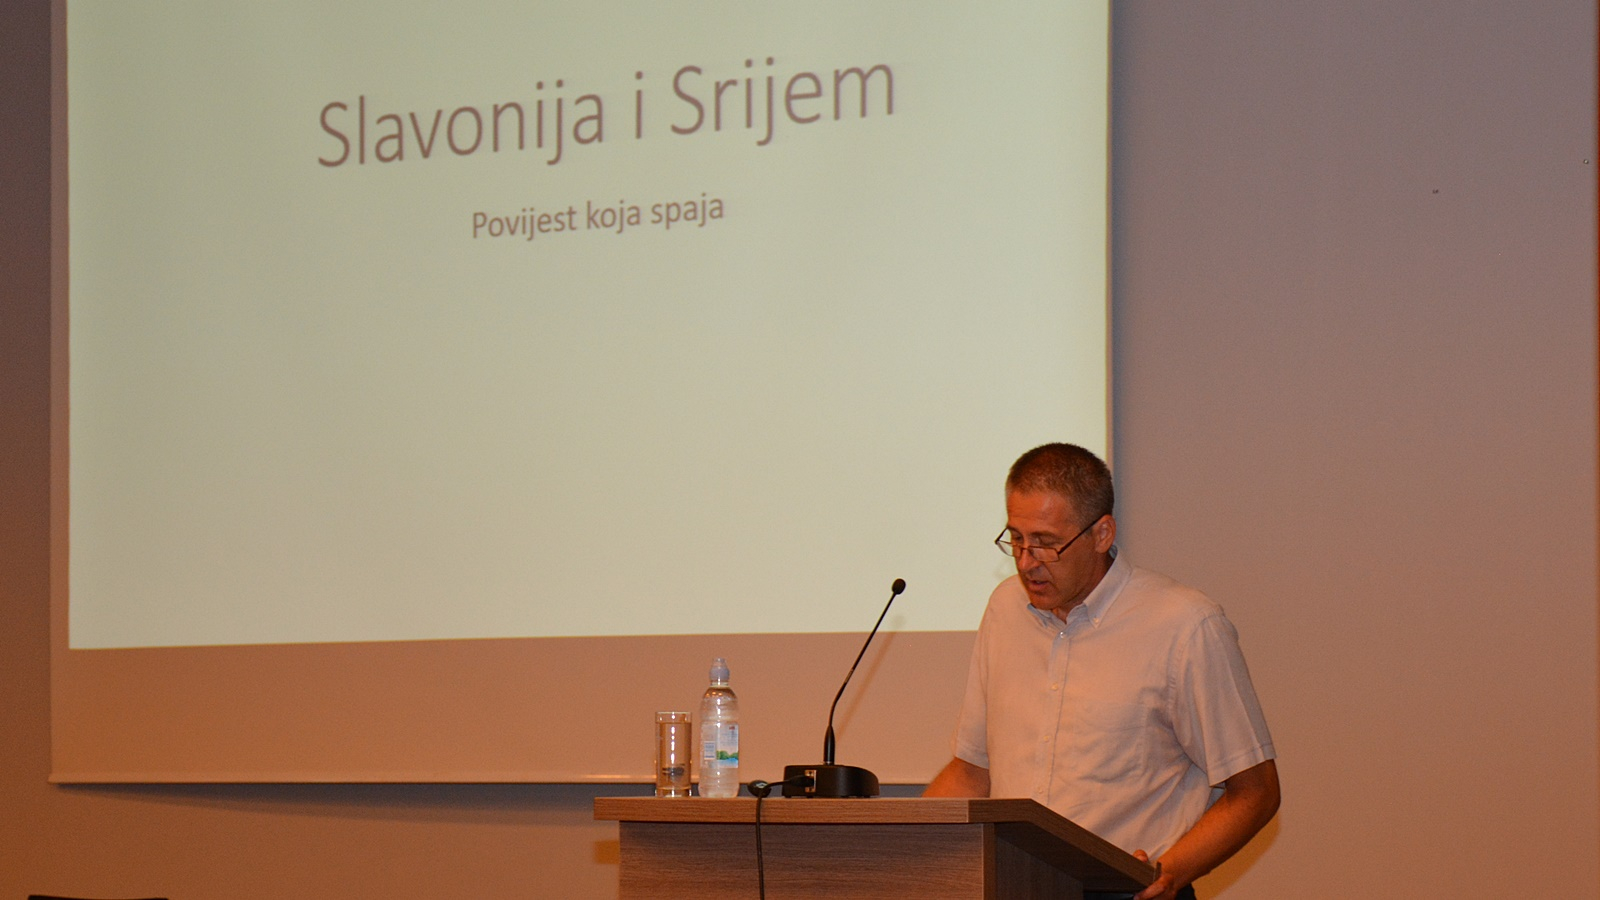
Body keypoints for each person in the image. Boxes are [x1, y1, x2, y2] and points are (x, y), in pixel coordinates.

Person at [924, 443, 1279, 900]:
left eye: (1046, 543)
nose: (1026, 561)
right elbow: (974, 771)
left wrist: (1168, 874)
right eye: (1016, 538)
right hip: (1014, 885)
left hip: (1129, 893)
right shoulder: (1004, 609)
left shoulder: (1186, 626)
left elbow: (1255, 792)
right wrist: (894, 850)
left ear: (1102, 534)